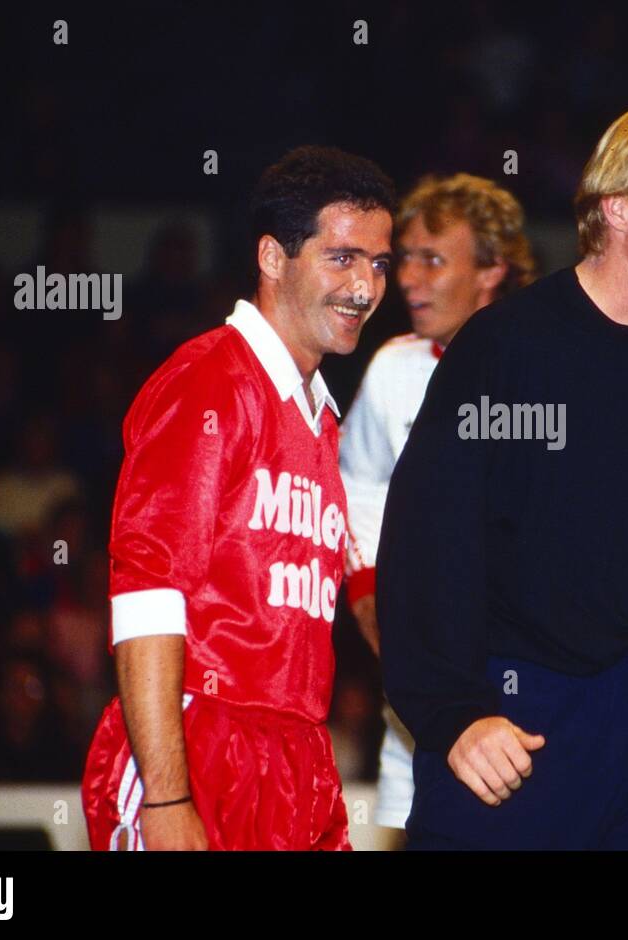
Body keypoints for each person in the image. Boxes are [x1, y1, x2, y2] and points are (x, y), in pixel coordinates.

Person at [377, 100, 628, 850]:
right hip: (519, 717)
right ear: (617, 209)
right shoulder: (505, 346)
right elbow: (427, 543)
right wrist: (454, 713)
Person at [81, 146, 395, 850]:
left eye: (378, 263)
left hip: (298, 754)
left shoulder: (320, 416)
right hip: (199, 741)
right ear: (273, 257)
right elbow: (147, 591)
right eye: (342, 258)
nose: (366, 287)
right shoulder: (208, 381)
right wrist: (166, 796)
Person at [338, 173, 536, 836]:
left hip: (540, 680)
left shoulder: (555, 361)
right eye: (405, 259)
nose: (407, 280)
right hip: (421, 681)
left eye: (432, 259)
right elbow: (357, 483)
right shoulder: (394, 366)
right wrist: (365, 584)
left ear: (491, 270)